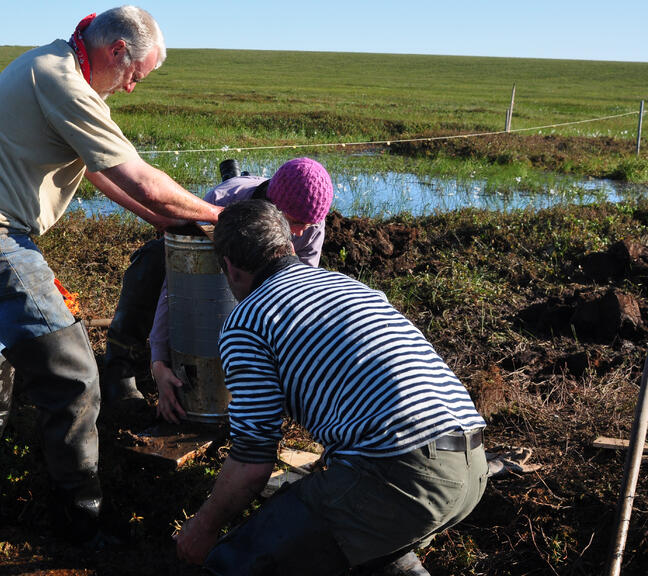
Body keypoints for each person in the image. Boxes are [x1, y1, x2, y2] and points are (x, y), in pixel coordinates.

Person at [0, 5, 222, 545]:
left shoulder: (53, 68)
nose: (131, 88)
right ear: (117, 51)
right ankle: (80, 525)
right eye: (135, 75)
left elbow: (108, 179)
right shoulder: (62, 81)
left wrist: (167, 222)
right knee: (75, 378)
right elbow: (141, 178)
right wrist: (222, 216)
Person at [173, 200, 488, 575]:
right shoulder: (344, 284)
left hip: (400, 469)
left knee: (237, 561)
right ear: (289, 245)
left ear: (229, 268)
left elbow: (252, 460)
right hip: (470, 469)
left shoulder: (247, 321)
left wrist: (203, 527)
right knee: (363, 538)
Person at [101, 157, 333, 424]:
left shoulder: (311, 223)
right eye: (295, 224)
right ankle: (122, 367)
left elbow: (297, 296)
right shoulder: (220, 202)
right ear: (275, 212)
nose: (302, 234)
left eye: (309, 226)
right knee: (152, 261)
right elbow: (176, 285)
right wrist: (159, 362)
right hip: (225, 220)